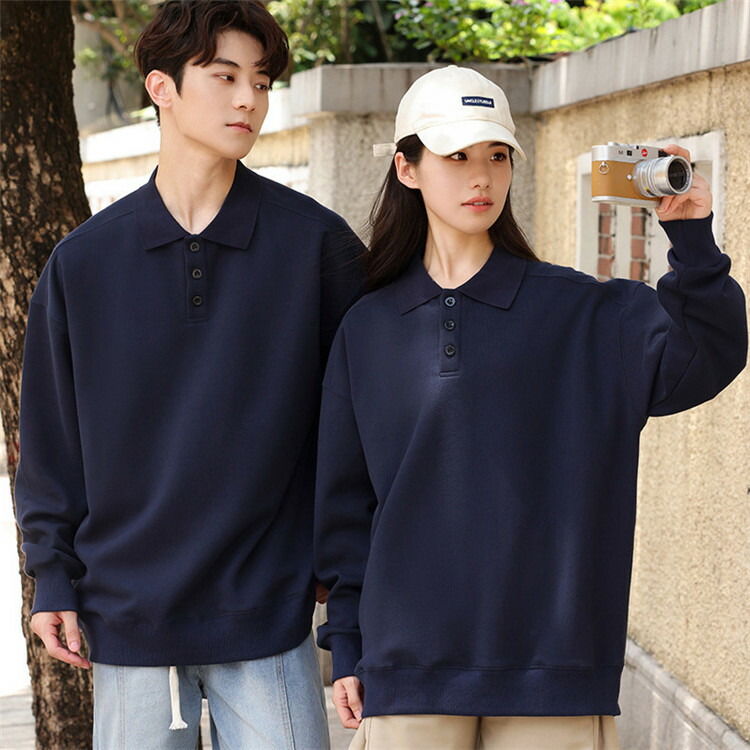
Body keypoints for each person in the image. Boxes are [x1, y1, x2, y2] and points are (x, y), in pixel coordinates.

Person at [314, 65, 747, 749]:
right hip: (407, 668)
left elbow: (707, 355)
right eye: (457, 157)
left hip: (555, 670)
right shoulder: (366, 329)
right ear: (407, 168)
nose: (481, 177)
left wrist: (692, 240)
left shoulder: (585, 313)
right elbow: (346, 506)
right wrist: (346, 641)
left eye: (496, 156)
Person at [14, 1, 363, 748]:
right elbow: (50, 442)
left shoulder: (317, 247)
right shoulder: (83, 263)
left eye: (262, 81)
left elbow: (358, 431)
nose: (249, 99)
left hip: (269, 614)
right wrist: (53, 573)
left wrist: (343, 579)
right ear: (161, 87)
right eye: (225, 76)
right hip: (128, 616)